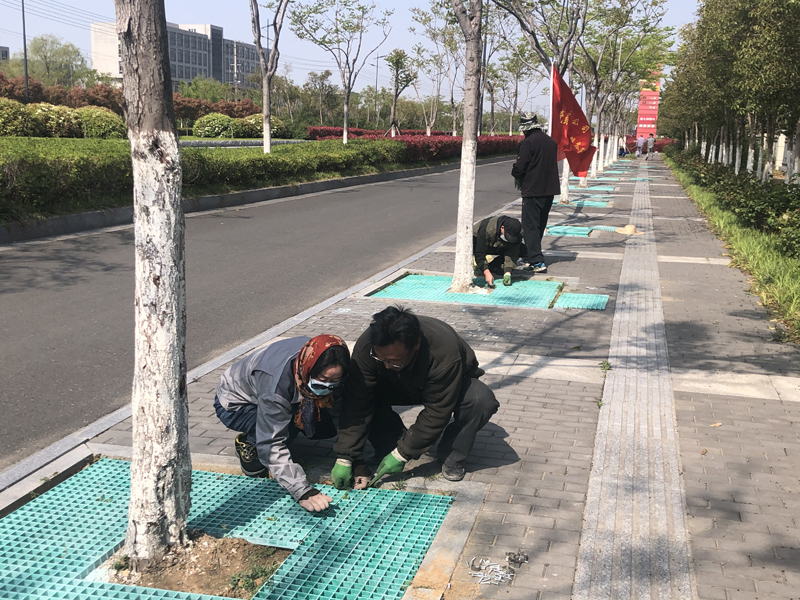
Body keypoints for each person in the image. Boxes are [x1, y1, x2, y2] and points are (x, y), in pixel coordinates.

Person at [331, 306, 499, 486]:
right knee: (347, 392)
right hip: (395, 384)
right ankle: (389, 444)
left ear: (416, 345)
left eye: (394, 360)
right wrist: (346, 456)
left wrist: (403, 454)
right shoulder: (368, 346)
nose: (386, 365)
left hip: (449, 384)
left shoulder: (443, 354)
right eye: (382, 359)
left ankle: (451, 456)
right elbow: (357, 402)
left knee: (480, 400)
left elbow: (437, 412)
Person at [214, 335, 366, 512]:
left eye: (333, 382)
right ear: (308, 368)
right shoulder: (275, 386)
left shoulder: (323, 355)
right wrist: (302, 491)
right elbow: (271, 443)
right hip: (236, 406)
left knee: (324, 427)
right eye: (322, 380)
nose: (327, 387)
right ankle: (249, 443)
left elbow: (343, 414)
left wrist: (352, 458)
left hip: (282, 395)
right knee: (278, 433)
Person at [511, 113, 560, 275]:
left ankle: (537, 261)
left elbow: (520, 167)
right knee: (540, 224)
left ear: (525, 128)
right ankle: (531, 255)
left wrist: (515, 172)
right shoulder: (551, 142)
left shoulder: (528, 143)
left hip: (533, 189)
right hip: (549, 190)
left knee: (530, 226)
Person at [473, 215, 524, 288]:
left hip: (497, 245)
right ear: (502, 228)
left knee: (522, 249)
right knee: (475, 247)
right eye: (508, 236)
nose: (509, 240)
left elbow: (512, 253)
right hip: (478, 241)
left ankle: (493, 266)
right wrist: (486, 272)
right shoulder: (487, 229)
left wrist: (508, 272)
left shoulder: (518, 233)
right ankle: (484, 267)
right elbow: (479, 253)